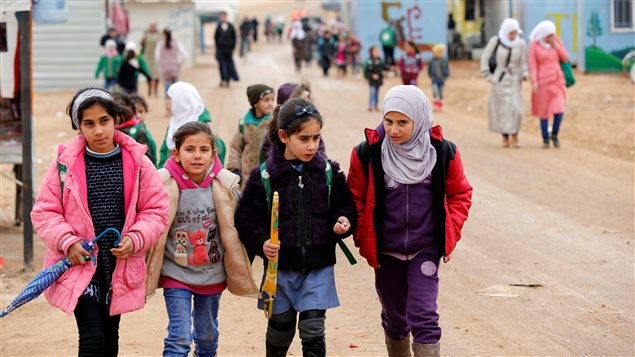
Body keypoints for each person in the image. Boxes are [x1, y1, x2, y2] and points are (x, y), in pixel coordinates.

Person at [30, 87, 169, 356]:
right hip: (79, 265)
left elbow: (156, 210)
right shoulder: (64, 164)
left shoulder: (138, 161)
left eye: (104, 121)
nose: (98, 131)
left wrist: (136, 237)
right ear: (78, 126)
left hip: (117, 266)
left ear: (116, 120)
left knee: (109, 336)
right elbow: (44, 212)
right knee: (92, 339)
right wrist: (68, 242)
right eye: (89, 124)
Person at [347, 85, 473, 357]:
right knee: (395, 317)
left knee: (424, 314)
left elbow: (460, 193)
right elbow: (354, 198)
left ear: (419, 120)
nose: (394, 130)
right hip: (386, 251)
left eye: (403, 123)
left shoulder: (442, 152)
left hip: (425, 249)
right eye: (388, 121)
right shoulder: (367, 154)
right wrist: (361, 233)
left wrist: (450, 228)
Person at [235, 98, 357, 357]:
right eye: (304, 138)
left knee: (313, 329)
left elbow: (345, 205)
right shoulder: (264, 176)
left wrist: (343, 221)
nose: (312, 145)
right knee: (280, 329)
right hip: (279, 270)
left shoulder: (328, 172)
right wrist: (260, 242)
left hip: (318, 266)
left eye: (316, 137)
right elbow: (246, 218)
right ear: (283, 136)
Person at [145, 121, 258, 357]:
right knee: (179, 336)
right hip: (175, 271)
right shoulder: (163, 184)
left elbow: (241, 222)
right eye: (189, 149)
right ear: (176, 153)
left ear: (213, 154)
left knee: (207, 336)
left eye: (203, 150)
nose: (197, 156)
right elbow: (148, 218)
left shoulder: (225, 185)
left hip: (212, 273)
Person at [480, 18, 528, 148]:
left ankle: (515, 133)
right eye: (511, 33)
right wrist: (488, 75)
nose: (513, 36)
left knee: (517, 108)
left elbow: (523, 62)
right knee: (503, 109)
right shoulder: (496, 42)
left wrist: (524, 73)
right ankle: (506, 136)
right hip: (499, 80)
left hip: (515, 80)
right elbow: (485, 57)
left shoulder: (521, 44)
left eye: (515, 33)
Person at [158, 81, 226, 168]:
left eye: (169, 98)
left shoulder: (201, 129)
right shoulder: (174, 123)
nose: (166, 102)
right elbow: (164, 152)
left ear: (181, 101)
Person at [528, 20, 569, 148]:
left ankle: (555, 135)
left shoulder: (556, 42)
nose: (550, 38)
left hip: (557, 81)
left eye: (552, 35)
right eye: (548, 36)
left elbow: (565, 58)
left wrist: (555, 46)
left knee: (559, 109)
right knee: (544, 112)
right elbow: (533, 66)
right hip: (542, 83)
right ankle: (545, 138)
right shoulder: (534, 46)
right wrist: (534, 82)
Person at [226, 84, 275, 184]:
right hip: (246, 177)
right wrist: (235, 170)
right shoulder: (243, 124)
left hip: (267, 176)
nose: (271, 103)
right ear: (255, 103)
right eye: (266, 100)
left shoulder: (274, 124)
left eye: (272, 100)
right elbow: (235, 148)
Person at [155, 28, 187, 96]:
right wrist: (179, 64)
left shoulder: (160, 43)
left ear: (163, 34)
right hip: (174, 67)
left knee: (167, 86)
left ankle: (168, 103)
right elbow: (184, 55)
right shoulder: (176, 42)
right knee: (176, 87)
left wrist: (161, 63)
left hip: (165, 67)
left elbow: (157, 57)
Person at [214, 11, 239, 87]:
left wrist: (233, 46)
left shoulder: (231, 26)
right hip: (221, 50)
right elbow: (215, 37)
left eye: (224, 16)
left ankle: (228, 80)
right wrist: (217, 47)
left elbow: (234, 37)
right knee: (221, 65)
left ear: (226, 17)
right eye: (221, 17)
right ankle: (222, 80)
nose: (223, 18)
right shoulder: (218, 27)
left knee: (229, 65)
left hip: (229, 50)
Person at [141, 22, 161, 97]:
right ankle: (149, 89)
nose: (152, 27)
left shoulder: (159, 34)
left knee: (157, 75)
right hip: (147, 57)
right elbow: (141, 44)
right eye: (151, 26)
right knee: (148, 74)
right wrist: (143, 40)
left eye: (153, 26)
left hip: (156, 57)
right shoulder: (146, 33)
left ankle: (155, 91)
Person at [428, 44, 450, 112]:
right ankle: (436, 106)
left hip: (441, 80)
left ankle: (440, 106)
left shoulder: (444, 60)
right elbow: (429, 69)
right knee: (434, 92)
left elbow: (447, 69)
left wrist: (445, 77)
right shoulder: (432, 61)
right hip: (434, 79)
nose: (434, 54)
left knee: (441, 92)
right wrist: (431, 76)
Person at [364, 45, 385, 112]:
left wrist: (390, 68)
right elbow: (366, 71)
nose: (377, 53)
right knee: (372, 92)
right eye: (375, 51)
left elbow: (384, 67)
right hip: (372, 81)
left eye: (378, 51)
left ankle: (375, 106)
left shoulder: (380, 60)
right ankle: (370, 106)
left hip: (378, 81)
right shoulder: (369, 61)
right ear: (371, 52)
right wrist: (372, 75)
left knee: (376, 93)